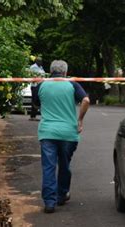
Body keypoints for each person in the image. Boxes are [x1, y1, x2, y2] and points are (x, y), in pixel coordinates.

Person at [32, 60, 90, 213]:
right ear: (65, 72)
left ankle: (49, 203)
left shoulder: (42, 85)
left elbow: (36, 104)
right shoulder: (72, 84)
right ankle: (62, 195)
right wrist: (80, 119)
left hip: (47, 132)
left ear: (51, 71)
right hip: (68, 134)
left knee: (48, 167)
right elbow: (86, 100)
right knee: (64, 165)